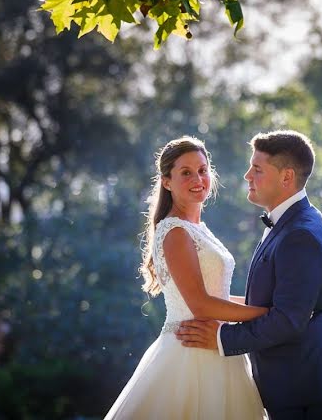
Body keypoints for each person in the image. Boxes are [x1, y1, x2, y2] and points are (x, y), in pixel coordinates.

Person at [177, 130, 322, 420]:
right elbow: (270, 302)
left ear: (286, 177)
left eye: (257, 169)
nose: (247, 175)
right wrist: (210, 304)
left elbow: (288, 320)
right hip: (293, 387)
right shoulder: (289, 222)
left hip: (307, 390)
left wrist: (223, 337)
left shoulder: (301, 233)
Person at [104, 136, 267, 419]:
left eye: (202, 170)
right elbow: (201, 305)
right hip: (191, 354)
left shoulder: (199, 229)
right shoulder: (175, 232)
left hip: (219, 347)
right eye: (186, 172)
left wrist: (269, 304)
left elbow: (219, 297)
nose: (198, 178)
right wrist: (266, 313)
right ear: (167, 181)